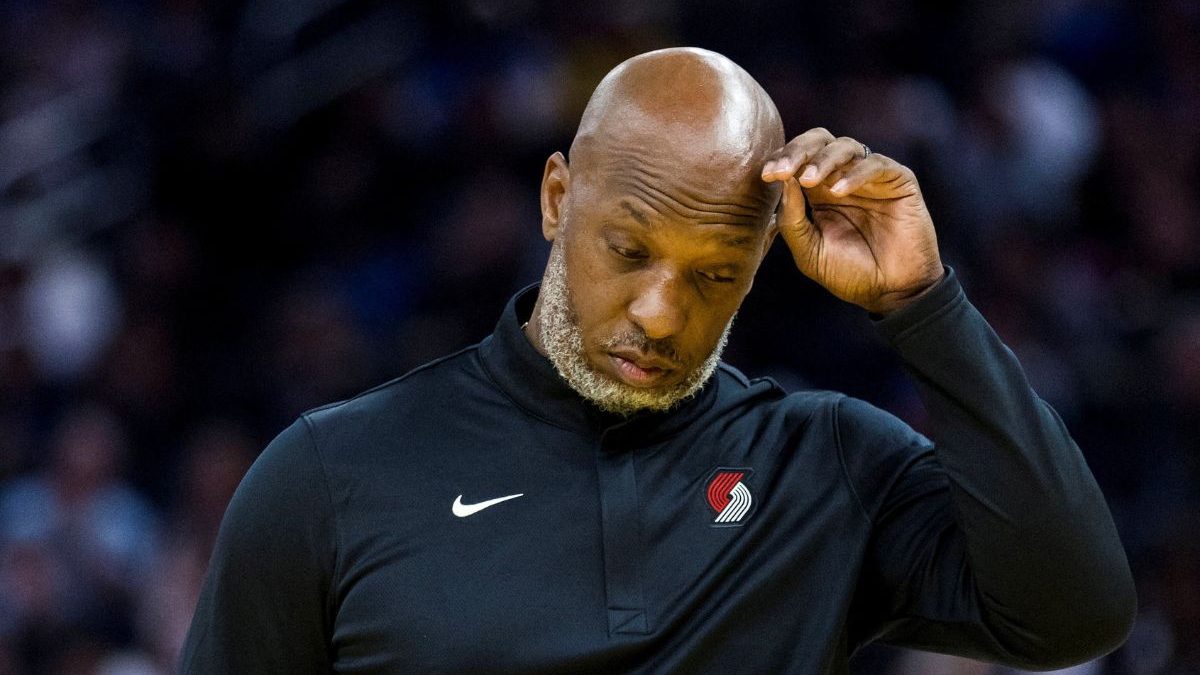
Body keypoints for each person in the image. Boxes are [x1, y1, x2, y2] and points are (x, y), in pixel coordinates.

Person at [179, 47, 1135, 673]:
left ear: (764, 260)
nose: (660, 311)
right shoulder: (328, 478)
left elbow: (1074, 610)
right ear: (558, 198)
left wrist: (925, 307)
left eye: (714, 272)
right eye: (628, 250)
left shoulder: (823, 465)